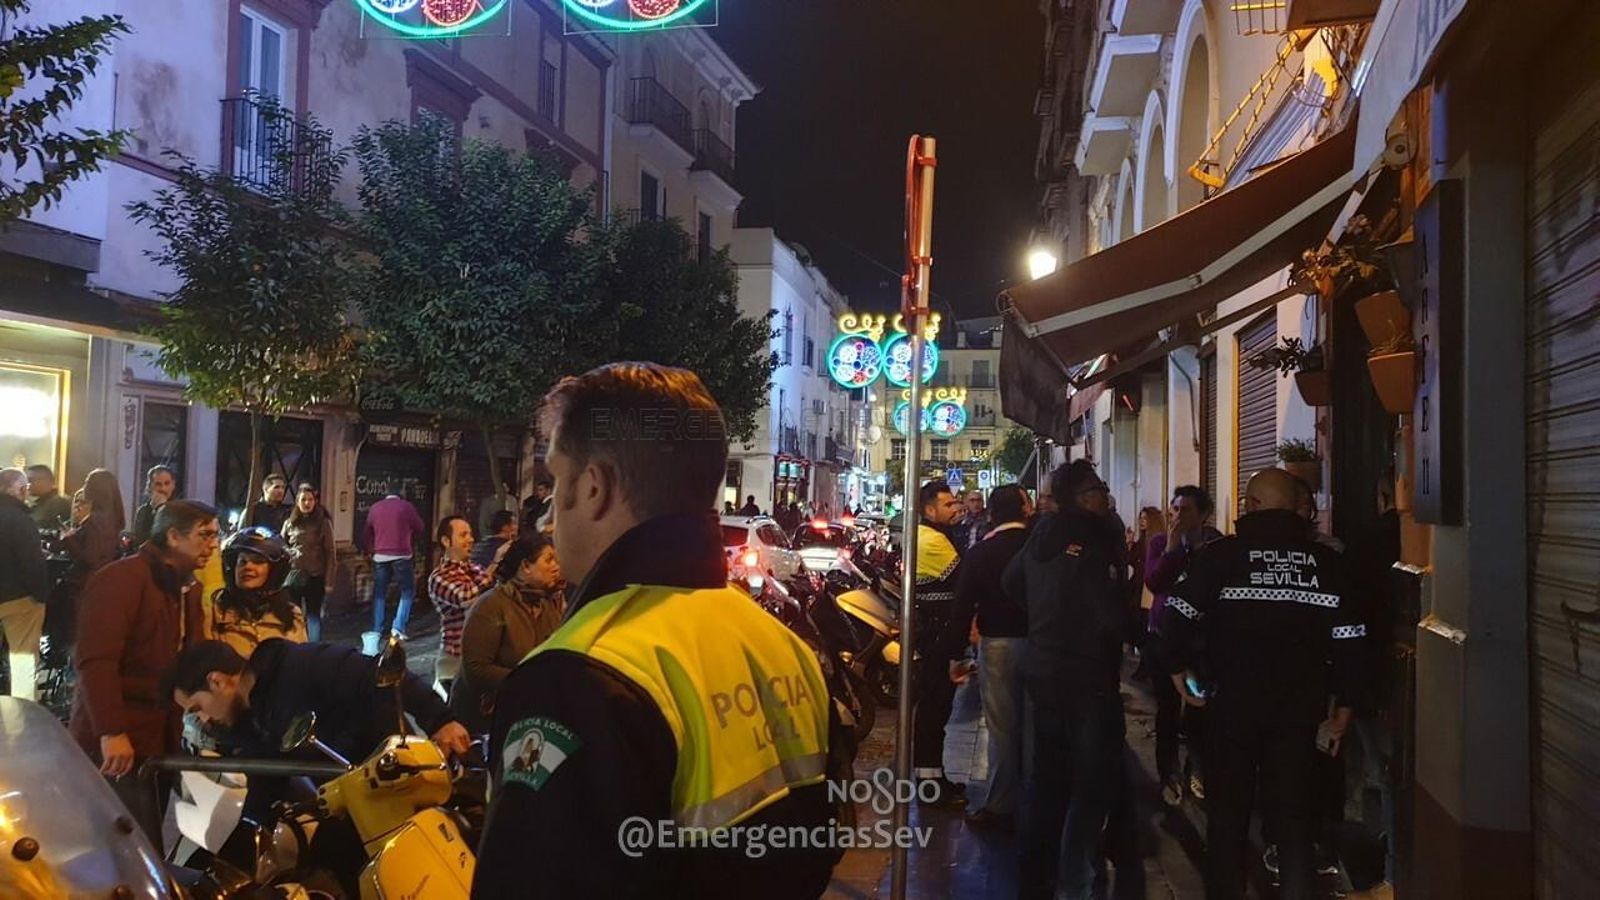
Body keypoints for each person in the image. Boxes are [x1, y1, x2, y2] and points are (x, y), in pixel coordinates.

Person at [475, 362, 836, 898]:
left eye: (556, 482)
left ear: (594, 487)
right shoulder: (783, 645)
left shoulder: (575, 678)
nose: (549, 517)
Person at [1152, 468, 1368, 900]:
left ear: (1250, 507)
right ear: (1296, 509)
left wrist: (1177, 672)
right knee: (1293, 826)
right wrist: (1345, 707)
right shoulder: (1328, 565)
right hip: (1300, 717)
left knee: (1227, 821)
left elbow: (1173, 618)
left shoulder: (1220, 558)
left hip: (1229, 711)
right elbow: (1351, 641)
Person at [167, 638, 469, 834]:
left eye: (197, 708)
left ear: (217, 681)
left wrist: (441, 720)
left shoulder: (303, 664)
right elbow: (267, 780)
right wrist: (248, 837)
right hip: (351, 808)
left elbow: (376, 674)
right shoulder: (249, 721)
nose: (203, 719)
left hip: (398, 789)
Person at [1004, 460, 1129, 900]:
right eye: (1098, 487)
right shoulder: (1097, 537)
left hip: (1043, 667)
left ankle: (1035, 878)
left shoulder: (1040, 535)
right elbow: (1108, 612)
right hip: (1087, 674)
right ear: (1081, 496)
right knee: (1091, 782)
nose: (1106, 494)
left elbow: (1011, 582)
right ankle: (1075, 880)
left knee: (1048, 778)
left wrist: (1043, 619)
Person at [70, 499, 218, 850]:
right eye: (204, 535)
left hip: (161, 737)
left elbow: (188, 658)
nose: (213, 545)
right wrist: (111, 731)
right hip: (119, 741)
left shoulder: (188, 589)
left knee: (145, 842)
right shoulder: (120, 579)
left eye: (216, 536)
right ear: (173, 536)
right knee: (128, 848)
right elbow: (96, 660)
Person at [937, 482, 1032, 828]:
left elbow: (962, 608)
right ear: (1024, 509)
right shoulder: (1039, 547)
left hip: (999, 645)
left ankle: (1001, 806)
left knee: (1003, 729)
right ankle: (1036, 801)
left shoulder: (982, 552)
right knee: (1036, 726)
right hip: (1043, 644)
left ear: (992, 513)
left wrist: (954, 655)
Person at [1144, 485, 1223, 808]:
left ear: (1204, 514)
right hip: (1163, 636)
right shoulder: (1161, 543)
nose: (1178, 516)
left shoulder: (1217, 545)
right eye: (1174, 509)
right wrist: (1173, 550)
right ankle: (1169, 774)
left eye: (1186, 510)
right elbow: (1155, 583)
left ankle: (1198, 767)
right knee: (1166, 709)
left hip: (1200, 641)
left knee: (1199, 708)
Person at [450, 535, 565, 735]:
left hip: (523, 716)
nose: (556, 567)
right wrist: (530, 680)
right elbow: (476, 670)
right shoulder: (491, 605)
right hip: (480, 724)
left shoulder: (547, 604)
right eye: (549, 560)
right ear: (525, 567)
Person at [911, 478, 967, 807]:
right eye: (949, 505)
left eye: (955, 502)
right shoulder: (932, 539)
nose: (956, 508)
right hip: (936, 638)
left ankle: (934, 777)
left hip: (937, 635)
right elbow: (964, 576)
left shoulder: (938, 535)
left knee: (937, 710)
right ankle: (930, 786)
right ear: (930, 510)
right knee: (934, 711)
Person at [427, 515, 506, 694]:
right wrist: (495, 563)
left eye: (470, 534)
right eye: (463, 535)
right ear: (446, 541)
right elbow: (466, 596)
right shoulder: (439, 576)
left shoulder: (473, 568)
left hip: (479, 660)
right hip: (454, 664)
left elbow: (492, 590)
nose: (470, 539)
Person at [204, 527, 307, 655]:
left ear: (273, 571)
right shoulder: (216, 614)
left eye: (258, 561)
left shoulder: (291, 616)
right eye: (242, 561)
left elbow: (302, 665)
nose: (248, 567)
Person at [1, 468, 50, 701]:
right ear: (20, 490)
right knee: (22, 663)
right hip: (19, 599)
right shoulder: (21, 521)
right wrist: (42, 595)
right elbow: (32, 563)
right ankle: (23, 716)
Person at [362, 491, 426, 651]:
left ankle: (377, 629)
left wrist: (369, 549)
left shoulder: (375, 508)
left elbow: (366, 532)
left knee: (379, 593)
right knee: (407, 591)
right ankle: (398, 628)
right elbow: (420, 526)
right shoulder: (406, 507)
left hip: (380, 556)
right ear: (401, 494)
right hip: (402, 555)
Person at [282, 483, 336, 642]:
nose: (307, 503)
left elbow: (330, 553)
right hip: (294, 576)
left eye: (310, 499)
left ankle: (314, 649)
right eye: (303, 499)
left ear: (315, 501)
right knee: (295, 616)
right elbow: (281, 545)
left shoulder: (323, 522)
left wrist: (329, 581)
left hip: (315, 576)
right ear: (297, 501)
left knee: (313, 616)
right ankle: (296, 646)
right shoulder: (290, 522)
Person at [61, 468, 126, 578]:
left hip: (89, 580)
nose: (84, 487)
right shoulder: (111, 517)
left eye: (87, 483)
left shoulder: (96, 521)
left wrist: (69, 538)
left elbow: (90, 558)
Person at [131, 465, 177, 545]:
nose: (163, 489)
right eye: (158, 484)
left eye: (167, 483)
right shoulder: (143, 511)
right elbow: (141, 540)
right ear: (150, 486)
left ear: (173, 485)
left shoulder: (180, 510)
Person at [25, 463, 71, 531]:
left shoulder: (58, 504)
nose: (27, 484)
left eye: (30, 480)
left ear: (44, 481)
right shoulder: (39, 504)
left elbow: (59, 532)